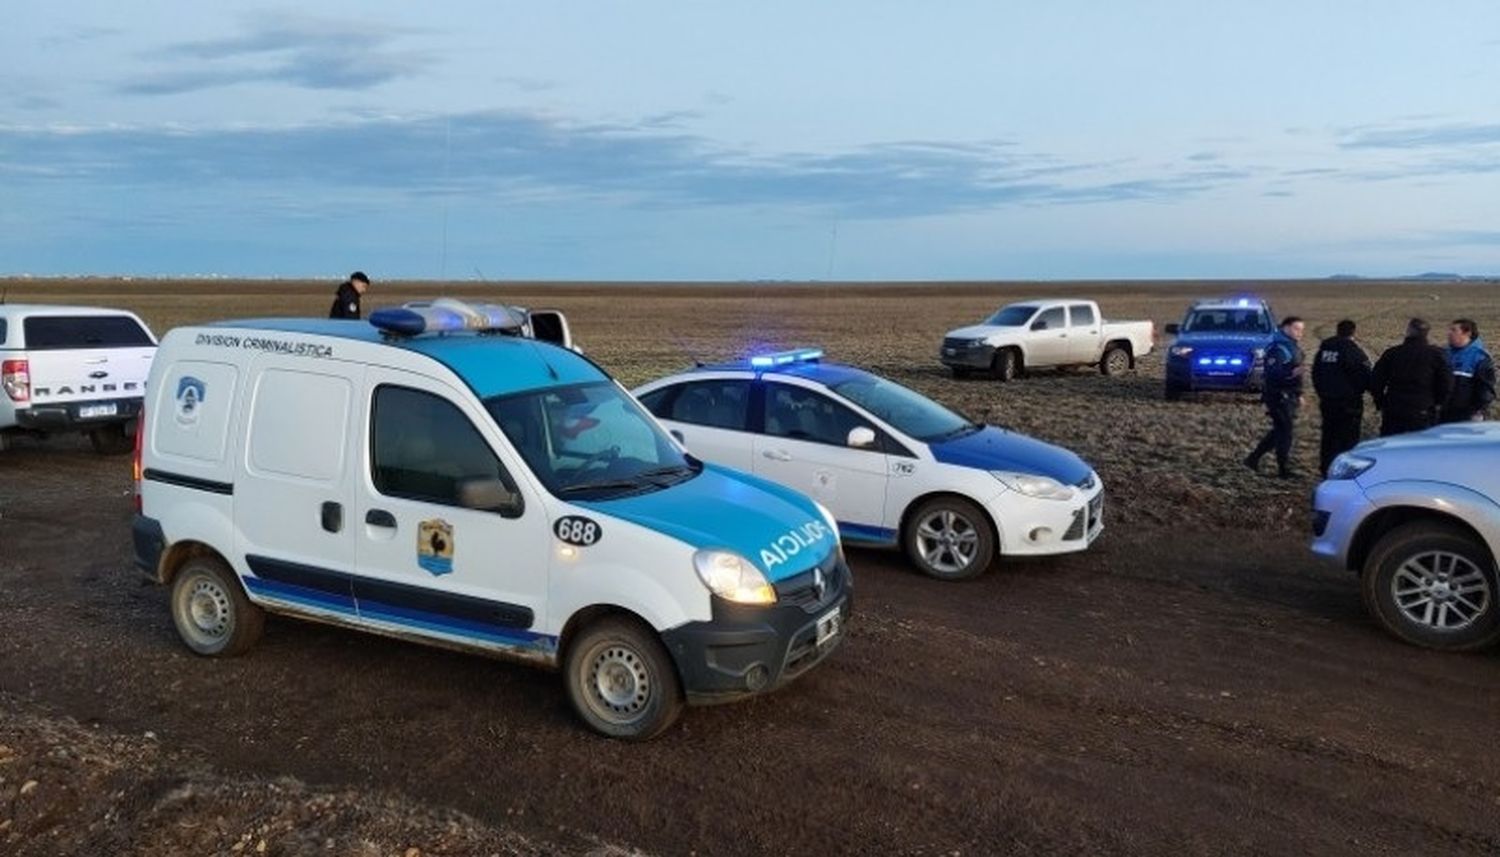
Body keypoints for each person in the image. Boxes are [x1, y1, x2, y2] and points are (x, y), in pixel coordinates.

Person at [1244, 316, 1306, 478]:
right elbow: (1272, 372)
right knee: (1285, 432)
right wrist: (1290, 374)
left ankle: (1253, 458)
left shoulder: (1291, 346)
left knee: (1280, 430)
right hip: (1279, 395)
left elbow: (1296, 373)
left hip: (1288, 395)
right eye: (1296, 329)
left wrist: (1298, 393)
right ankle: (1283, 469)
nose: (1300, 333)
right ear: (1285, 328)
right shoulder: (1279, 348)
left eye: (1302, 330)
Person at [1370, 318, 1452, 436]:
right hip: (1423, 410)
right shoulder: (1436, 355)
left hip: (1394, 410)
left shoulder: (1392, 354)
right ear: (1426, 333)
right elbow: (1447, 383)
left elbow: (1376, 381)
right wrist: (1438, 403)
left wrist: (1380, 402)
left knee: (1392, 448)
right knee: (1420, 449)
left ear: (1408, 331)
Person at [1311, 319, 1372, 475]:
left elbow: (1316, 373)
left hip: (1327, 400)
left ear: (1337, 331)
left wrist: (1322, 392)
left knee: (1329, 435)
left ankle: (1326, 467)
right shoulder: (1353, 351)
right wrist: (1361, 390)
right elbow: (1364, 375)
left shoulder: (1325, 349)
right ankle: (1344, 471)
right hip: (1348, 403)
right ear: (1353, 332)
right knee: (1348, 439)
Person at [1440, 319, 1495, 423]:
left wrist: (1478, 410)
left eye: (1454, 330)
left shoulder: (1479, 357)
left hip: (1467, 416)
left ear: (1467, 333)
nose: (1449, 333)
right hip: (1444, 415)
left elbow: (1485, 389)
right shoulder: (1444, 354)